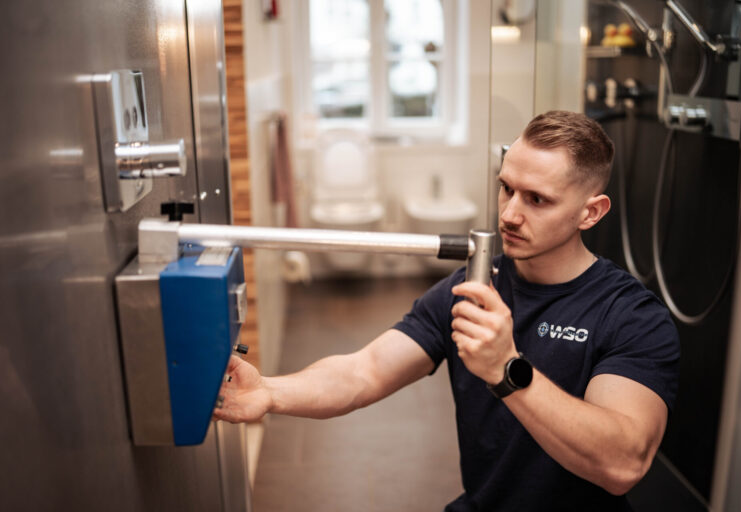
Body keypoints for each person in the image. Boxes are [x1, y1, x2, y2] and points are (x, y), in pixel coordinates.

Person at [214, 110, 680, 511]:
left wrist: (506, 370)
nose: (510, 214)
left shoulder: (631, 316)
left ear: (591, 212)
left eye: (537, 199)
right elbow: (366, 371)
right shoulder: (473, 286)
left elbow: (624, 462)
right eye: (506, 189)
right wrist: (271, 392)